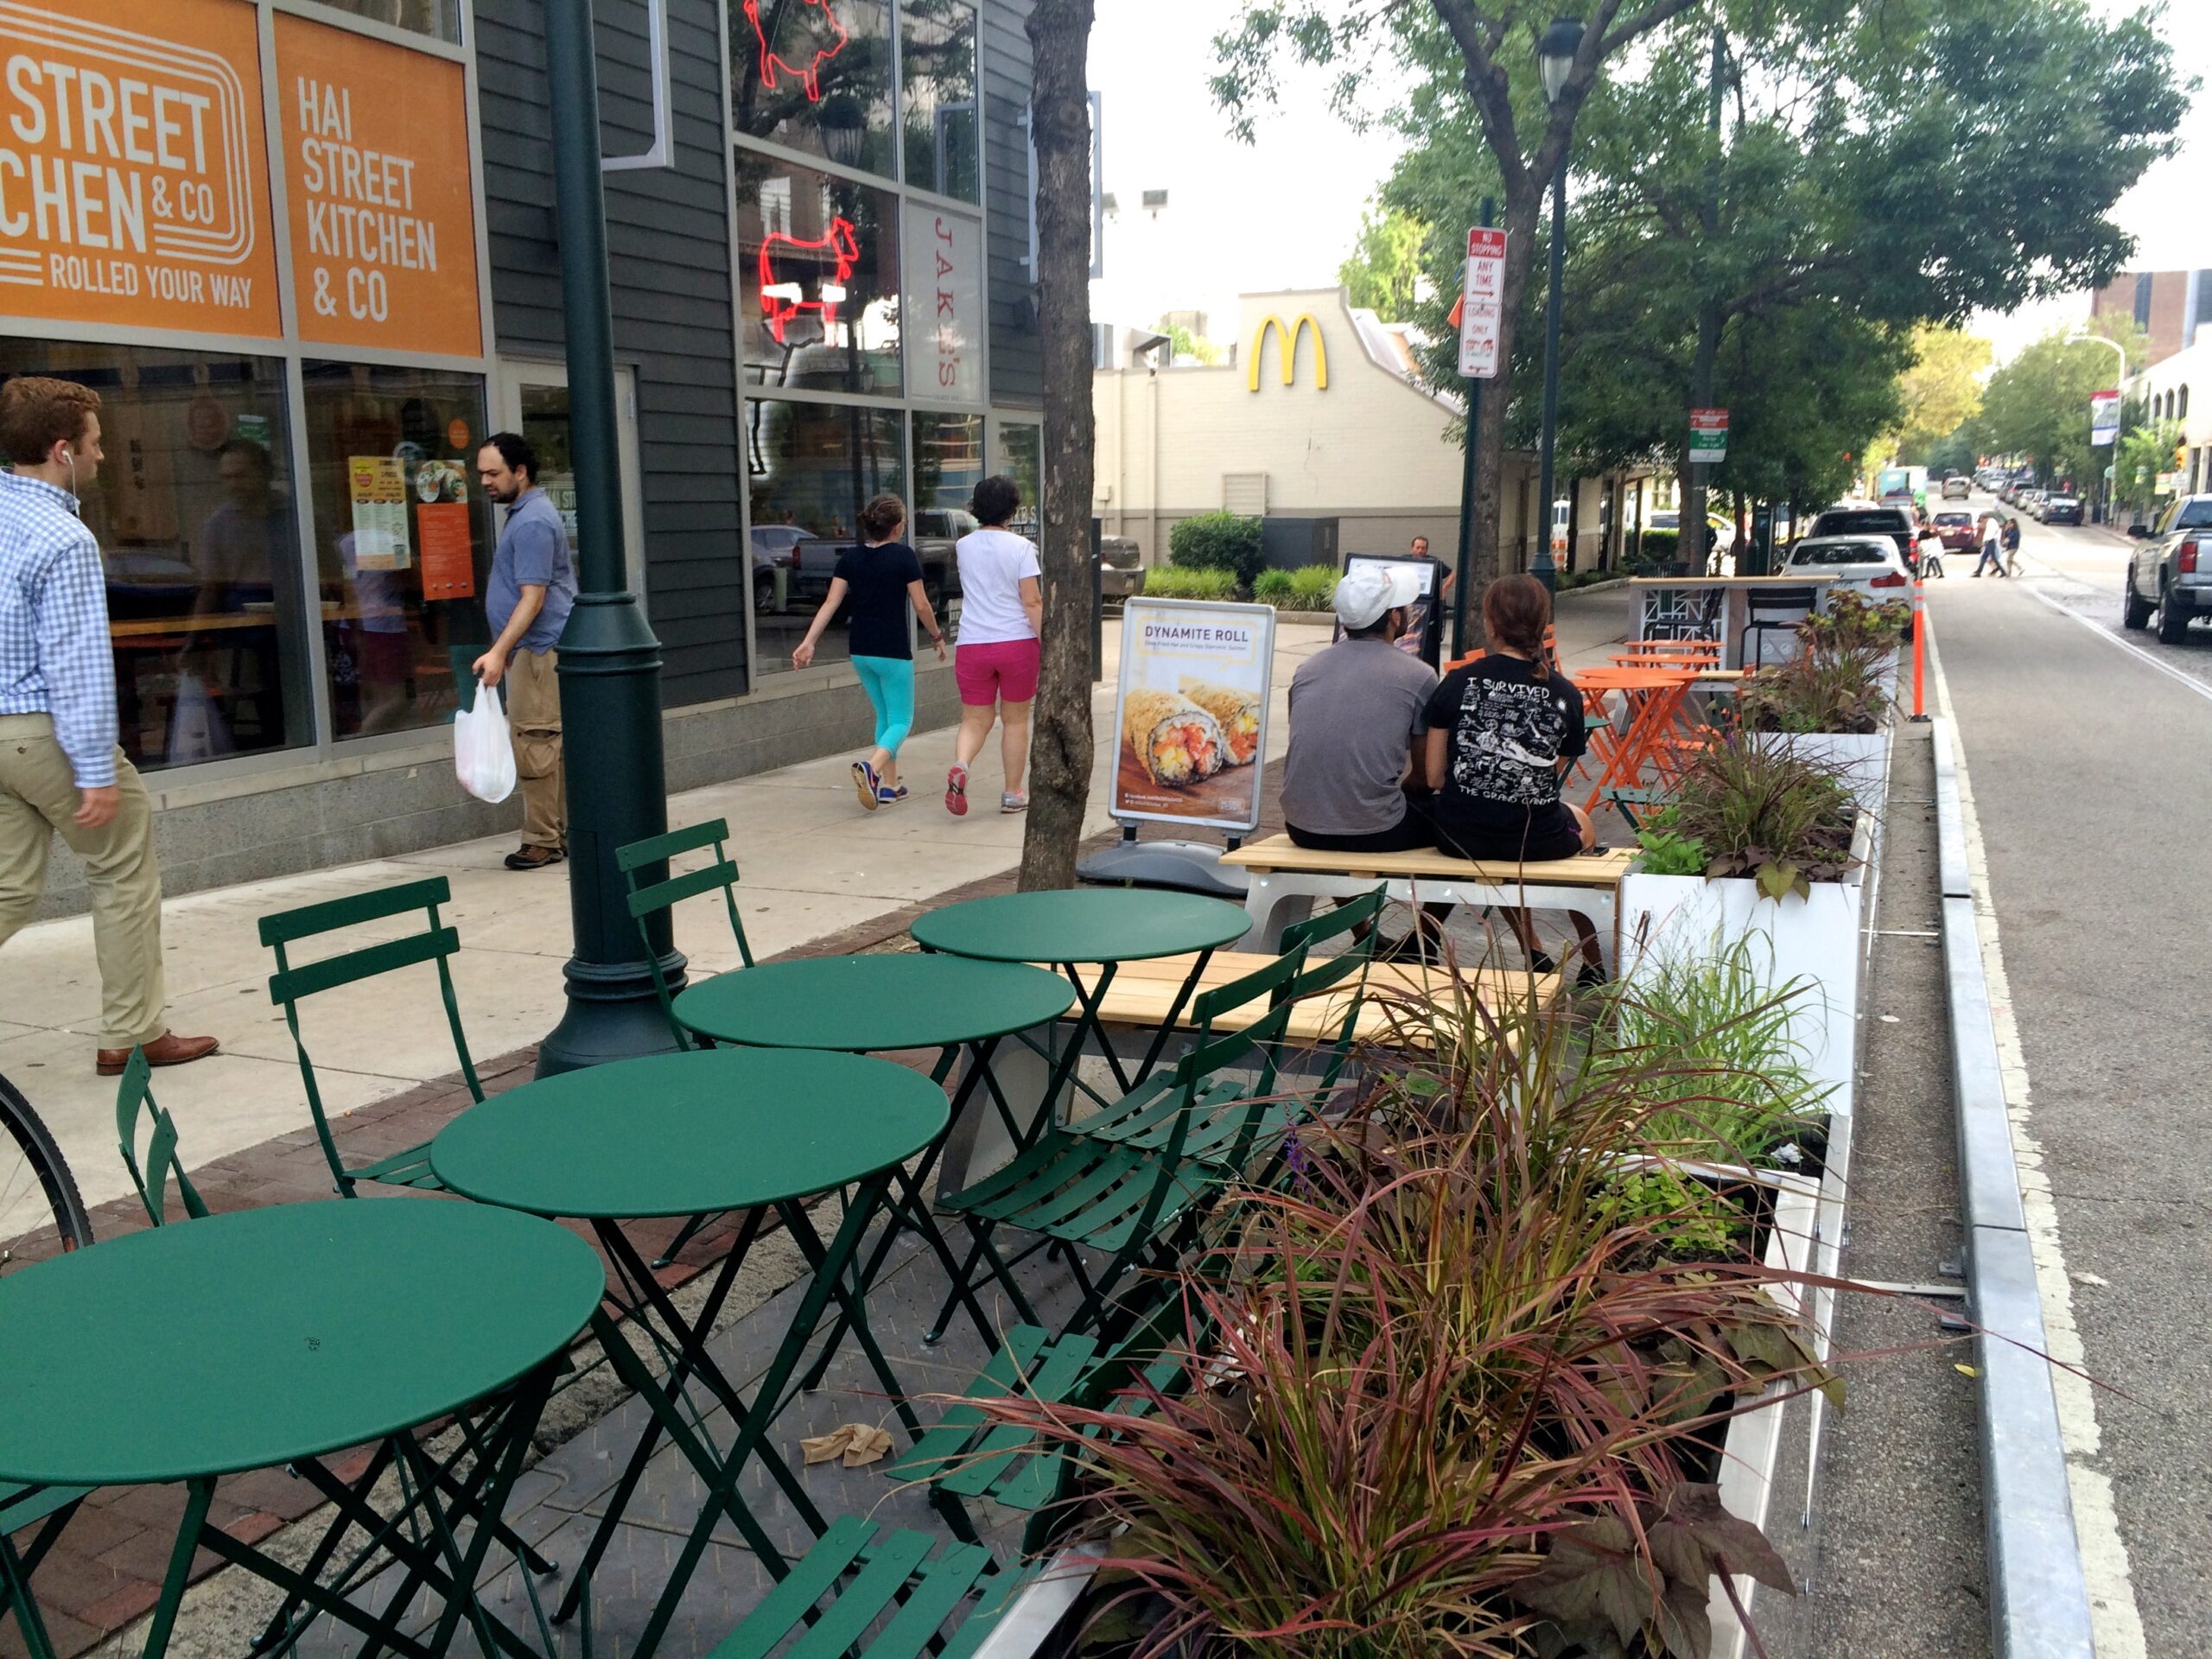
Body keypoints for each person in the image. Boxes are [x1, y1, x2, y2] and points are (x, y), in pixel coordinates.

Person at [0, 376, 218, 1076]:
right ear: (62, 451)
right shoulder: (64, 538)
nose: (101, 456)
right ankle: (133, 1034)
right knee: (122, 868)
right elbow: (77, 665)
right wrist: (94, 769)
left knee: (9, 887)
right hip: (42, 731)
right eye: (94, 444)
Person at [1423, 574, 1604, 982]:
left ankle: (1428, 940)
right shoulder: (1565, 693)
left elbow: (1434, 776)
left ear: (1490, 623)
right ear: (1542, 624)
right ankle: (1593, 964)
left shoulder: (1458, 682)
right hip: (1535, 840)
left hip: (1458, 836)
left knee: (1488, 832)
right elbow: (1548, 775)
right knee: (1582, 823)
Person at [792, 493, 946, 809]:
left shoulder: (851, 558)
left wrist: (809, 641)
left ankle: (890, 786)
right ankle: (872, 770)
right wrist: (936, 635)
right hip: (892, 650)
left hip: (861, 650)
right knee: (902, 720)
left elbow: (831, 603)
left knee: (885, 716)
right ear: (898, 526)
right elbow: (921, 605)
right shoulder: (904, 557)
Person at [473, 434, 576, 870]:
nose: (485, 481)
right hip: (535, 649)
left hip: (539, 651)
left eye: (493, 473)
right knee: (547, 743)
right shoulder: (525, 514)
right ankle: (559, 834)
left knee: (536, 744)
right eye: (482, 473)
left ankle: (543, 840)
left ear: (521, 471)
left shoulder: (532, 521)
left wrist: (499, 652)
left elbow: (532, 599)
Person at [1280, 563, 1436, 853]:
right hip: (1377, 830)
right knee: (1457, 819)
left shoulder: (1307, 669)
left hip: (1301, 826)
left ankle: (1355, 891)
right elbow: (1425, 776)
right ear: (1394, 617)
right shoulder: (1419, 675)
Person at [947, 474, 1042, 817]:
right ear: (1012, 509)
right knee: (1014, 720)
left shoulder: (963, 546)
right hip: (1016, 642)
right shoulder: (1022, 548)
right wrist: (1045, 640)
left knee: (974, 719)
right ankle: (1013, 793)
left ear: (976, 507)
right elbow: (1031, 601)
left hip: (972, 643)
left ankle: (961, 763)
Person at [1972, 510, 2005, 577]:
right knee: (1983, 557)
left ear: (1985, 518)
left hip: (1990, 541)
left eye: (1982, 521)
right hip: (1988, 542)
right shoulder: (1990, 523)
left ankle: (2003, 571)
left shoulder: (1991, 523)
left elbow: (1990, 533)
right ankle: (1978, 572)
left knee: (1993, 558)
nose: (1982, 523)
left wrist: (1985, 541)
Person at [2003, 513, 2023, 577]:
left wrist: (2009, 540)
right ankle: (2019, 568)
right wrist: (2006, 530)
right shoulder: (2010, 530)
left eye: (2010, 524)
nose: (2008, 525)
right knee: (2010, 560)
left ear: (2013, 524)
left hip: (2014, 547)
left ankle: (2010, 572)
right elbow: (2006, 537)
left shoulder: (2016, 531)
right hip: (2010, 547)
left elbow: (2015, 539)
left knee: (2009, 560)